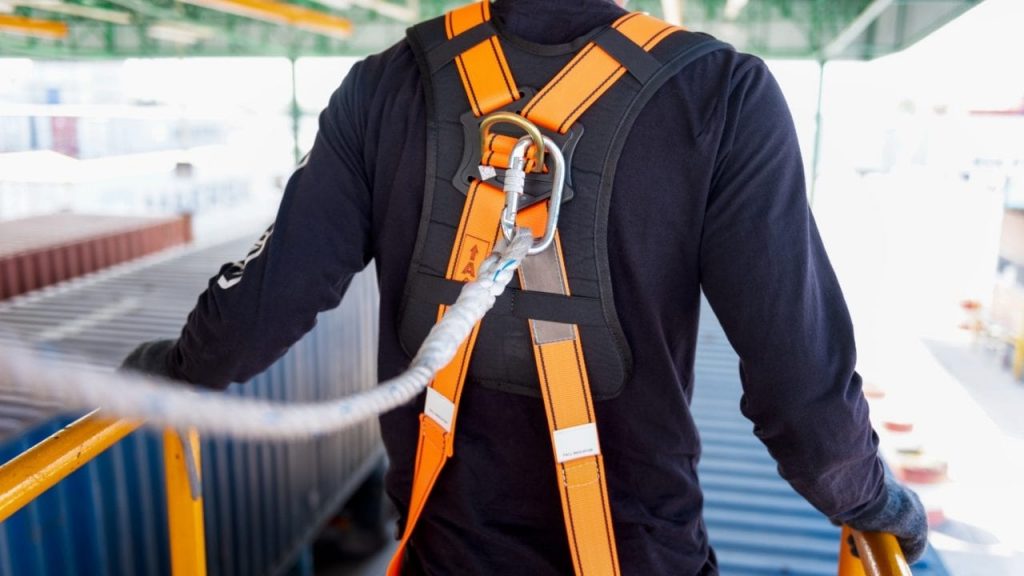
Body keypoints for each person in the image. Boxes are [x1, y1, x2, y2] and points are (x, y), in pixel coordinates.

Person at [121, 0, 928, 573]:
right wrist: (874, 504)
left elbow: (262, 305)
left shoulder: (383, 87)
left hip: (444, 552)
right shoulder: (721, 96)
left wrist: (180, 368)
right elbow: (804, 395)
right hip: (645, 555)